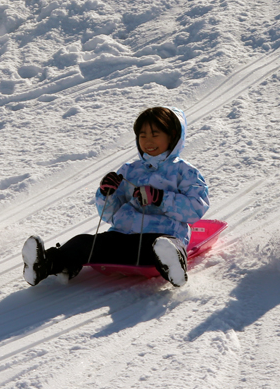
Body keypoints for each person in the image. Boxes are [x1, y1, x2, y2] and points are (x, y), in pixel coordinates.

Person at [22, 106, 209, 287]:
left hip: (161, 236)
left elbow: (195, 208)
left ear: (173, 135)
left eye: (155, 134)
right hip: (122, 236)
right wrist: (106, 193)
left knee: (162, 247)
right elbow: (111, 214)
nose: (148, 141)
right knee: (82, 242)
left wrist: (160, 198)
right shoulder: (129, 170)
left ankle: (172, 265)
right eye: (142, 135)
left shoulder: (185, 172)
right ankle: (45, 265)